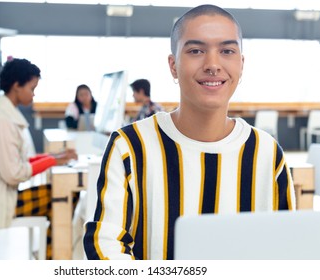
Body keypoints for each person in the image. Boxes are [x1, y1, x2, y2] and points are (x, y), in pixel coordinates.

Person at [83, 4, 296, 260]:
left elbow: (284, 248)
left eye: (227, 51)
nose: (213, 64)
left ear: (241, 64)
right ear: (173, 65)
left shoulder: (267, 152)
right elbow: (104, 242)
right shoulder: (129, 145)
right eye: (196, 50)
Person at [0, 58, 77, 260]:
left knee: (59, 195)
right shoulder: (2, 121)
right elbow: (15, 173)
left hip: (1, 194)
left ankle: (50, 254)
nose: (34, 94)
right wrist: (54, 161)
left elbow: (20, 160)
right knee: (63, 197)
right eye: (32, 88)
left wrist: (53, 157)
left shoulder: (5, 113)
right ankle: (53, 258)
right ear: (16, 86)